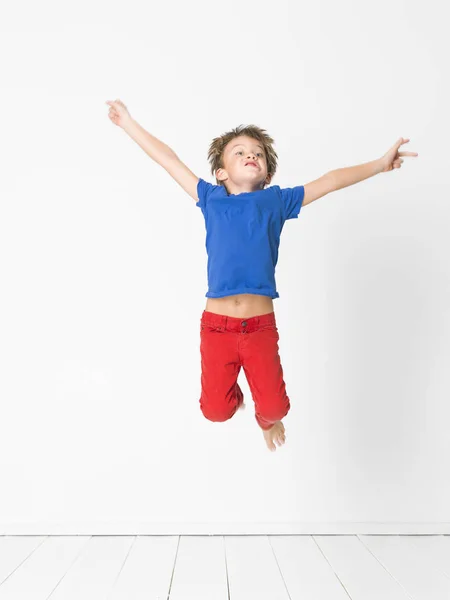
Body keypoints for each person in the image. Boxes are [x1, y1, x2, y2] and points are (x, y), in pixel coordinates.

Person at [106, 99, 418, 452]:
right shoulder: (210, 198)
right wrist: (128, 124)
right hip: (217, 327)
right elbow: (169, 160)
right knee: (215, 412)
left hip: (259, 329)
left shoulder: (276, 202)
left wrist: (378, 165)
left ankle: (265, 418)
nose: (250, 155)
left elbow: (329, 181)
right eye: (238, 152)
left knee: (275, 408)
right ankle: (233, 394)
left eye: (257, 153)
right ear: (221, 172)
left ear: (267, 175)